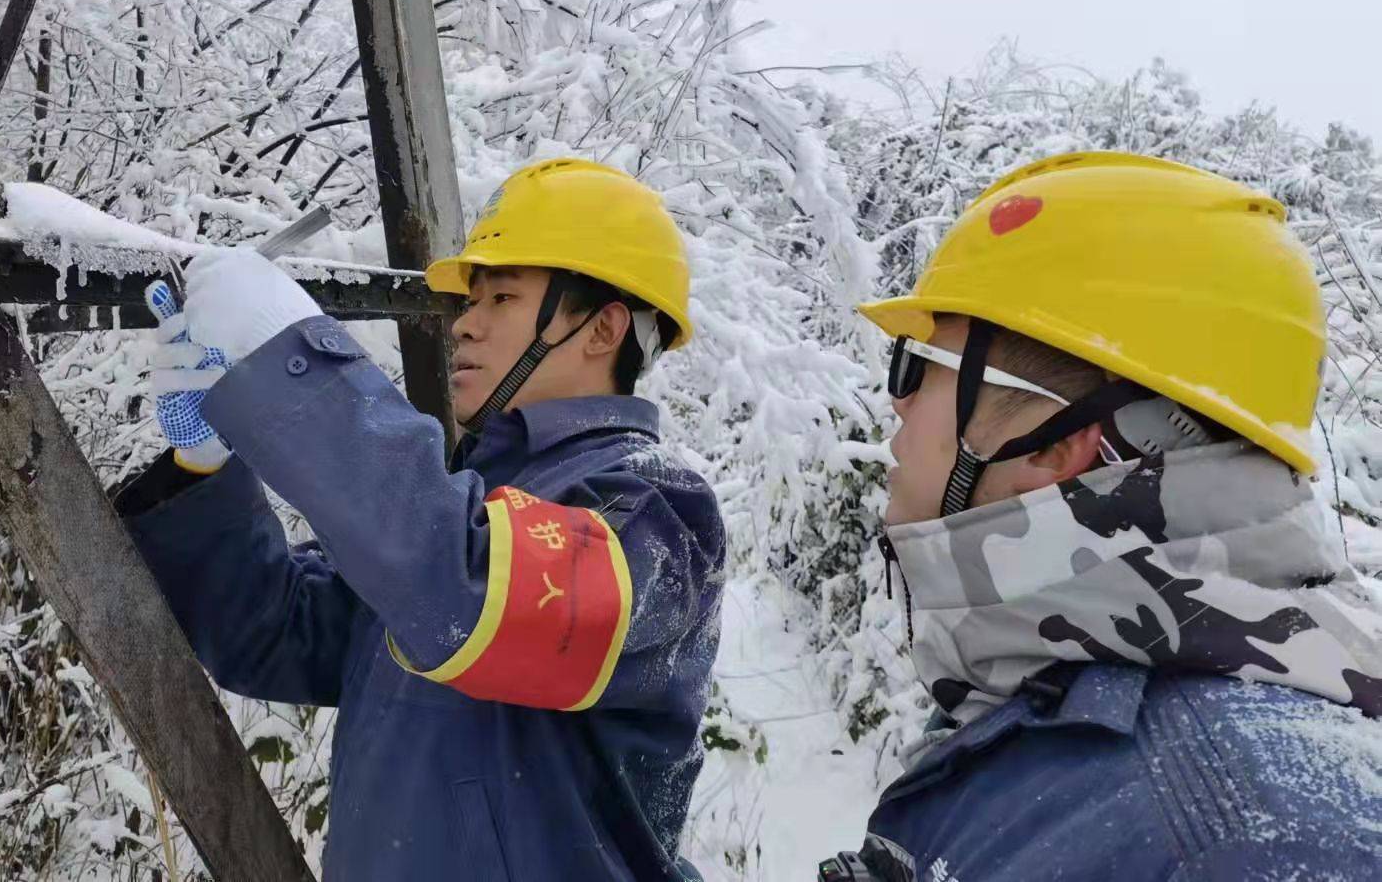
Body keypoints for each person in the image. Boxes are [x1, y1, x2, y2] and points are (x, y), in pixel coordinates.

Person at [113, 158, 724, 880]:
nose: (465, 323)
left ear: (601, 328)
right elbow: (271, 632)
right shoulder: (457, 506)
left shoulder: (657, 512)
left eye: (501, 295)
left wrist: (297, 357)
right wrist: (207, 468)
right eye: (470, 300)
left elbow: (475, 594)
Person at [819, 150, 1382, 882]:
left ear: (1056, 441)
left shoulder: (1247, 843)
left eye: (915, 363)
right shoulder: (1069, 705)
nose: (895, 398)